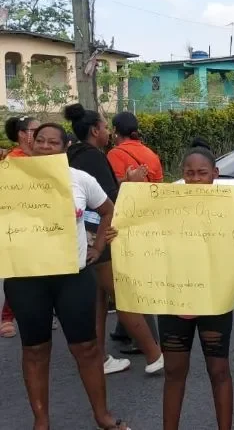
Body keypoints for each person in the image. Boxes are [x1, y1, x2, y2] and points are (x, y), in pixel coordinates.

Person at [1, 124, 130, 430]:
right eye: (40, 140)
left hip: (73, 275)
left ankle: (103, 416)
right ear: (31, 143)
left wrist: (98, 246)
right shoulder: (9, 179)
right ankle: (41, 421)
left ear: (65, 146)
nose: (45, 146)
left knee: (86, 348)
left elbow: (109, 210)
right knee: (34, 349)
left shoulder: (79, 179)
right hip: (26, 276)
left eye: (52, 142)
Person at [144, 140, 234, 430]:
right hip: (175, 296)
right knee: (174, 371)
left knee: (219, 368)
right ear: (182, 173)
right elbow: (140, 232)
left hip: (214, 297)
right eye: (190, 173)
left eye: (202, 173)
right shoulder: (166, 204)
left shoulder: (232, 207)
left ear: (215, 173)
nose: (196, 179)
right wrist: (118, 233)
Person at [64, 104, 165, 376]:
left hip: (81, 233)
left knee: (97, 298)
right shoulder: (94, 157)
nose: (108, 132)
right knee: (123, 294)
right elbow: (108, 201)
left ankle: (100, 356)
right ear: (95, 130)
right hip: (99, 234)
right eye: (105, 127)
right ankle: (154, 354)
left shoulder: (72, 154)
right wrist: (129, 183)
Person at [104, 111, 163, 357]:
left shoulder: (114, 155)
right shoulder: (151, 153)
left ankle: (146, 340)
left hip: (127, 222)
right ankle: (123, 329)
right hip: (150, 220)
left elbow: (116, 193)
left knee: (131, 279)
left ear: (116, 130)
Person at [1, 115, 40, 339]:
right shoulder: (13, 160)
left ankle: (38, 311)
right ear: (22, 134)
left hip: (42, 226)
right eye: (35, 130)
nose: (40, 135)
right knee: (17, 272)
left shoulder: (43, 158)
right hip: (18, 225)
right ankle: (7, 317)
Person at [106, 111, 164, 183]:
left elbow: (112, 188)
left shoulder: (114, 154)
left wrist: (128, 180)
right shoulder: (153, 155)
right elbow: (159, 187)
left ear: (114, 130)